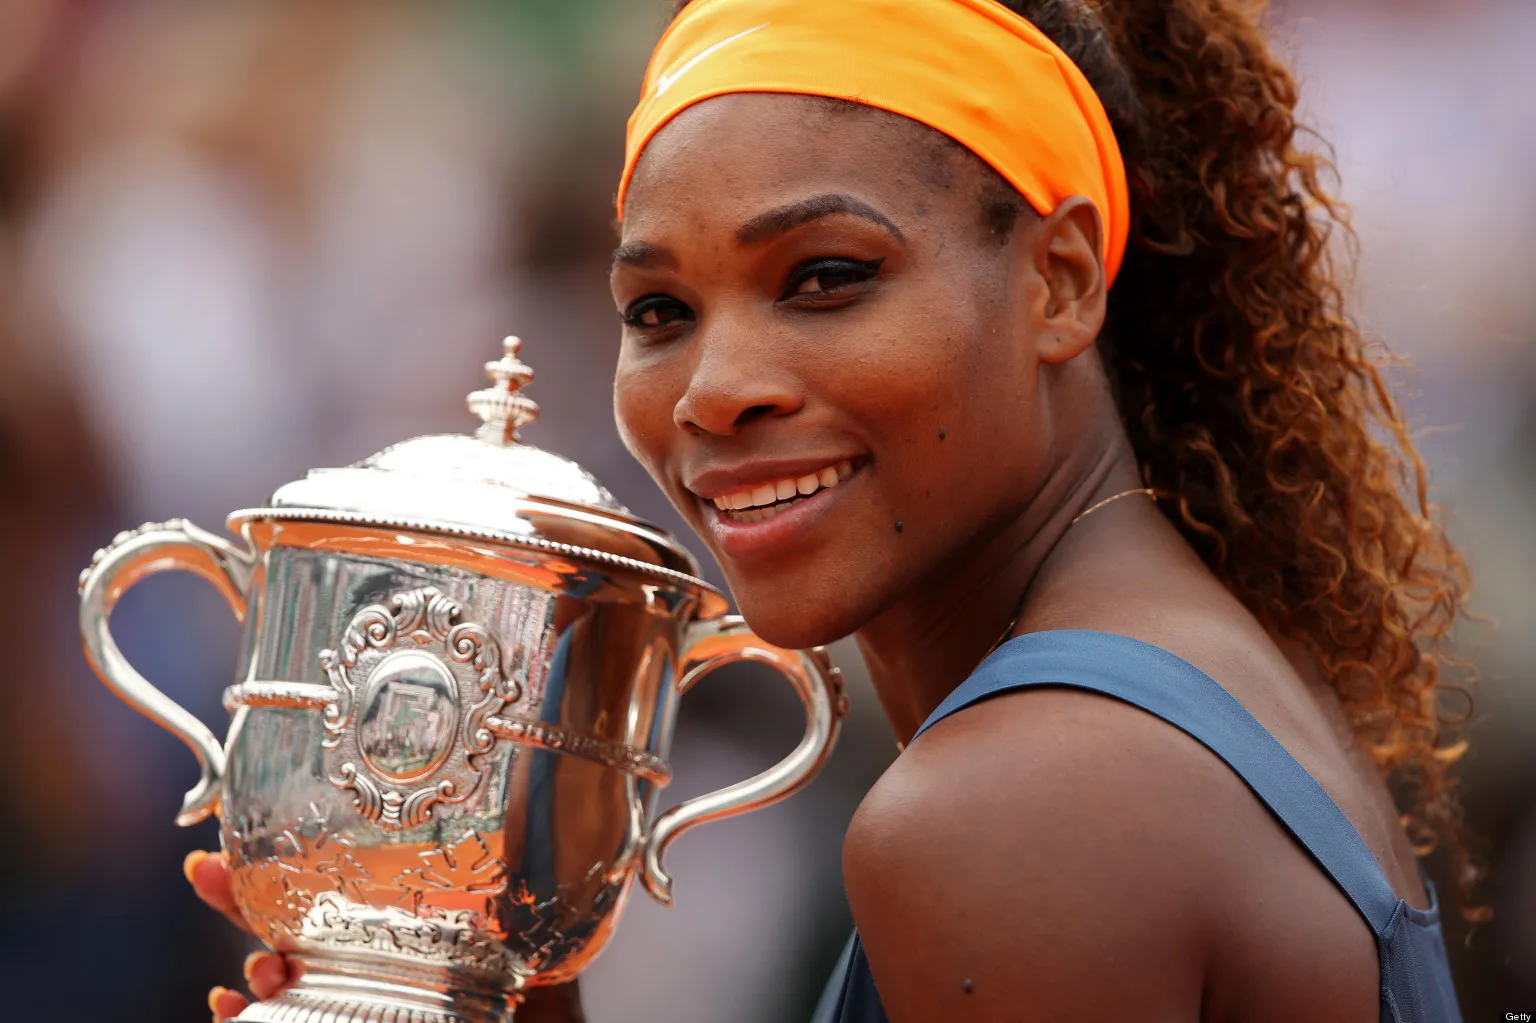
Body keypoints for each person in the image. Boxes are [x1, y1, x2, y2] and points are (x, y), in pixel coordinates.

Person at [193, 0, 1481, 1019]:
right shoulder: (1145, 706)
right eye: (660, 312)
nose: (713, 392)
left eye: (825, 277)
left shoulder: (1025, 804)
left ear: (1061, 281)